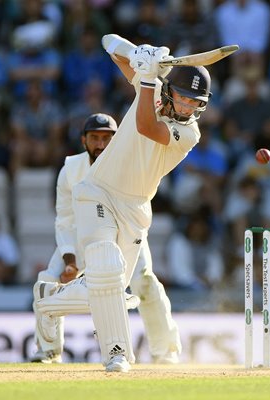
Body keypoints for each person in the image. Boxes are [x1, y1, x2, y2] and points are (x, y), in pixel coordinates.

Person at [33, 34, 212, 372]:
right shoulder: (154, 89)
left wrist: (147, 76)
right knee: (105, 264)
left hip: (136, 208)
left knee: (109, 288)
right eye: (185, 99)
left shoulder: (189, 133)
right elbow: (107, 42)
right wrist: (140, 55)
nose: (189, 108)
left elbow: (146, 126)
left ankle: (49, 300)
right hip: (98, 191)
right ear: (171, 91)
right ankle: (117, 354)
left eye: (195, 103)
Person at [31, 113, 182, 365]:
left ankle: (165, 350)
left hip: (125, 233)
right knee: (47, 279)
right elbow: (65, 219)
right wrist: (70, 260)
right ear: (84, 140)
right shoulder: (70, 169)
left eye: (106, 139)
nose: (100, 145)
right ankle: (48, 350)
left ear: (116, 140)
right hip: (84, 236)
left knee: (143, 281)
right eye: (94, 138)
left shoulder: (130, 164)